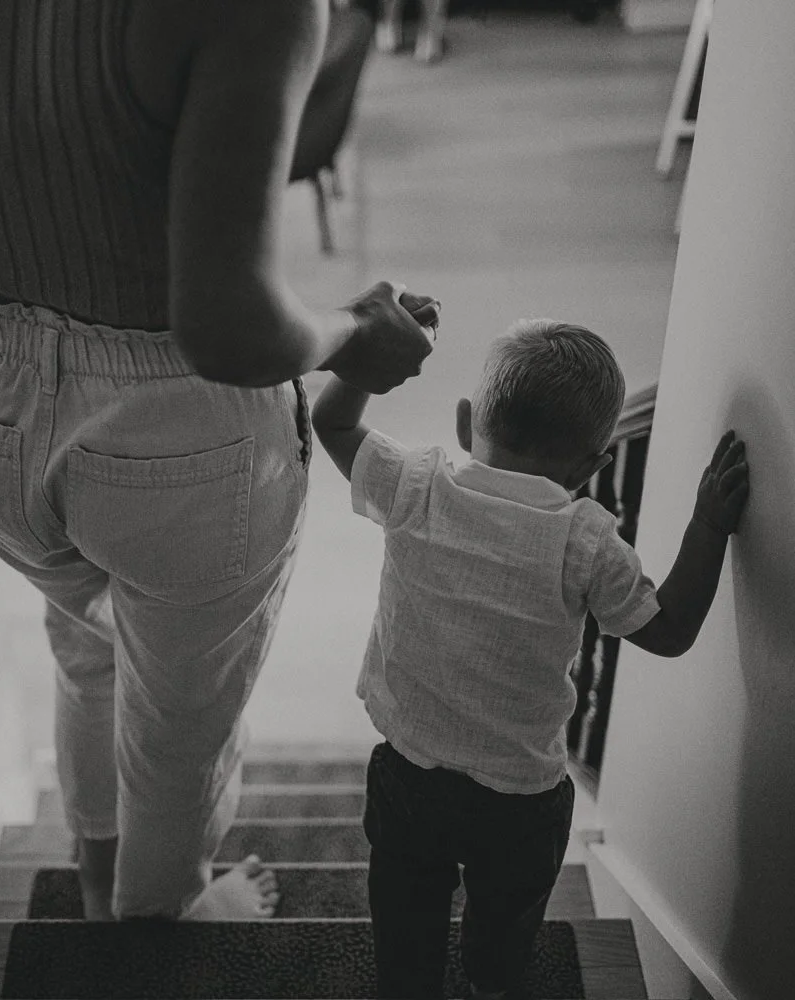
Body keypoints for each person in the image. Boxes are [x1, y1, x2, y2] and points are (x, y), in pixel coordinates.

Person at [0, 0, 438, 921]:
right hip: (177, 426)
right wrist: (357, 332)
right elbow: (228, 328)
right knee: (180, 721)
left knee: (84, 645)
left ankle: (94, 869)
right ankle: (159, 916)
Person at [311, 319, 750, 998]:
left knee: (405, 905)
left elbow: (331, 425)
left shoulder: (416, 485)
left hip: (410, 771)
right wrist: (708, 526)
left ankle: (409, 984)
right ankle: (492, 979)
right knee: (507, 915)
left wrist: (366, 364)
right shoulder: (588, 541)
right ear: (592, 468)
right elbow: (669, 631)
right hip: (518, 796)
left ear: (465, 424)